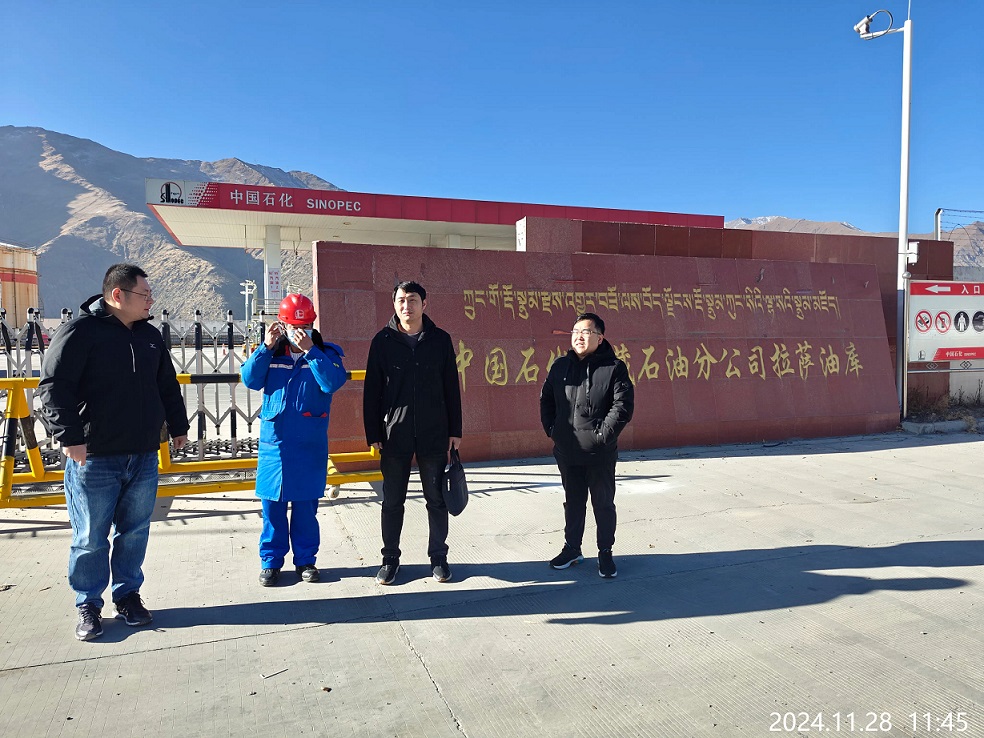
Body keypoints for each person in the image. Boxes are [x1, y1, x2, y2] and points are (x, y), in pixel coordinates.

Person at [37, 263, 189, 641]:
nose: (151, 300)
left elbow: (166, 385)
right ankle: (88, 603)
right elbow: (53, 386)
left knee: (134, 532)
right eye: (144, 294)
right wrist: (69, 436)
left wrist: (179, 426)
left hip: (143, 454)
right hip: (94, 456)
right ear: (117, 295)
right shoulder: (80, 332)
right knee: (90, 536)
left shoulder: (149, 335)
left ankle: (127, 595)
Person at [240, 293, 347, 587]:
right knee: (272, 508)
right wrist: (265, 346)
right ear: (282, 325)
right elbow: (249, 380)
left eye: (305, 326)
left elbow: (332, 383)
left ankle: (306, 561)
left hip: (309, 445)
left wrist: (311, 351)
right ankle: (271, 562)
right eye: (293, 327)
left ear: (313, 324)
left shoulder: (326, 354)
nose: (299, 332)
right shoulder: (272, 354)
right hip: (274, 445)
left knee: (305, 509)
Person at [363, 280, 462, 585]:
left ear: (424, 304)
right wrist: (373, 432)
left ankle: (439, 557)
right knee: (393, 500)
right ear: (394, 305)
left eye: (413, 299)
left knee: (437, 499)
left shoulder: (440, 340)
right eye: (401, 300)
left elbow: (451, 387)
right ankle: (390, 559)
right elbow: (372, 391)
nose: (407, 306)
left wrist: (455, 429)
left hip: (434, 432)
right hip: (395, 433)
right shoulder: (382, 341)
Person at [539, 312, 634, 578]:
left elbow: (622, 406)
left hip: (599, 452)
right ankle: (572, 548)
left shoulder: (614, 368)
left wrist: (602, 437)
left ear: (600, 338)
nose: (579, 337)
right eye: (576, 332)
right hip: (567, 450)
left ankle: (605, 552)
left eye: (586, 332)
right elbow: (546, 399)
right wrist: (553, 430)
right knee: (573, 502)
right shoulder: (560, 366)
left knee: (603, 505)